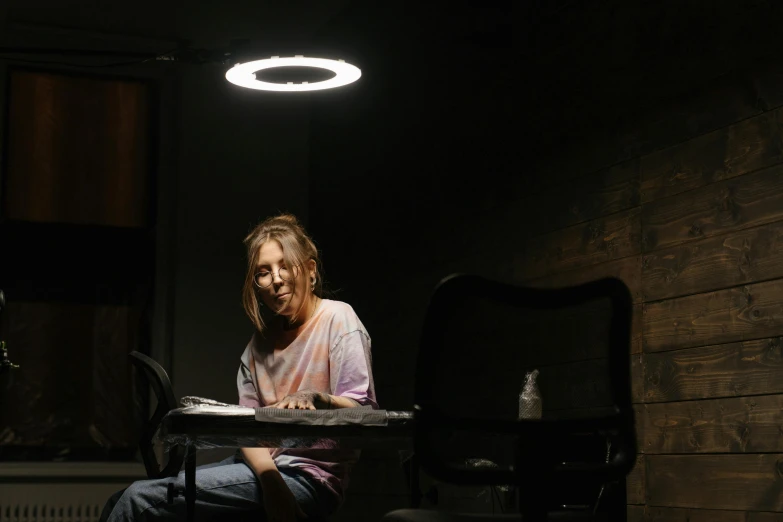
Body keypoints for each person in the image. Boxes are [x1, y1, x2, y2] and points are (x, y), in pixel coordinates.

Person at [101, 214, 377, 521]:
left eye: (285, 265)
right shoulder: (257, 347)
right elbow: (250, 435)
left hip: (309, 478)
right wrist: (272, 485)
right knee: (119, 501)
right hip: (260, 469)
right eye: (264, 272)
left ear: (310, 270)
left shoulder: (338, 320)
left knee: (138, 501)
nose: (276, 279)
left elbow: (362, 412)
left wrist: (318, 397)